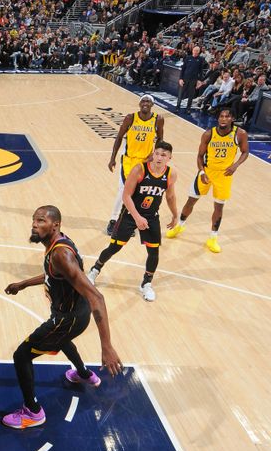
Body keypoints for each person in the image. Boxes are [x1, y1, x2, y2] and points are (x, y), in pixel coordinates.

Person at [2, 206, 123, 429]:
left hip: (68, 318)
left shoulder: (61, 254)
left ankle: (33, 412)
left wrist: (107, 346)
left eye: (40, 221)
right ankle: (84, 374)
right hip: (75, 313)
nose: (34, 225)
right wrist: (23, 284)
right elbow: (53, 273)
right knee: (62, 340)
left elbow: (97, 297)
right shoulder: (58, 245)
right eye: (33, 220)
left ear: (55, 225)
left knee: (21, 356)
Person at [89, 141, 179, 301]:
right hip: (130, 215)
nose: (159, 157)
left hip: (152, 217)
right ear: (153, 153)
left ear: (170, 158)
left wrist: (174, 214)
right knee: (114, 247)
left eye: (163, 155)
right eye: (157, 153)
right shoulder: (139, 169)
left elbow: (170, 196)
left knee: (154, 252)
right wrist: (137, 218)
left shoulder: (171, 174)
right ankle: (95, 270)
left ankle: (146, 284)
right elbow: (126, 196)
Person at [166, 108, 249, 253]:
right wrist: (202, 172)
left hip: (225, 175)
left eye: (227, 116)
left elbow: (245, 152)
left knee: (218, 207)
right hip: (207, 172)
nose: (223, 119)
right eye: (221, 116)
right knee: (191, 201)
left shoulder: (240, 134)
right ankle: (180, 225)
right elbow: (199, 156)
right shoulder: (209, 134)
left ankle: (212, 238)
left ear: (232, 119)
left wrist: (235, 165)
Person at [105, 94, 164, 235]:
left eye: (148, 101)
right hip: (129, 161)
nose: (145, 103)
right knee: (124, 191)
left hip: (145, 162)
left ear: (152, 105)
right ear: (139, 104)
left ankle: (126, 221)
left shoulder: (158, 119)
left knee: (136, 193)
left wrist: (155, 154)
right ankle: (113, 221)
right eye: (143, 101)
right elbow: (119, 137)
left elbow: (161, 139)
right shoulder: (130, 118)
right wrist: (112, 158)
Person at [176, 45, 206, 113]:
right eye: (195, 50)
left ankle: (188, 109)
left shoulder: (201, 59)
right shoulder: (187, 58)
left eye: (197, 51)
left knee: (191, 95)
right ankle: (177, 107)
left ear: (199, 52)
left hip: (193, 80)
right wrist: (180, 78)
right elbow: (183, 69)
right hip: (185, 79)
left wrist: (199, 80)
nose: (196, 52)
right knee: (181, 94)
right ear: (192, 50)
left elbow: (200, 71)